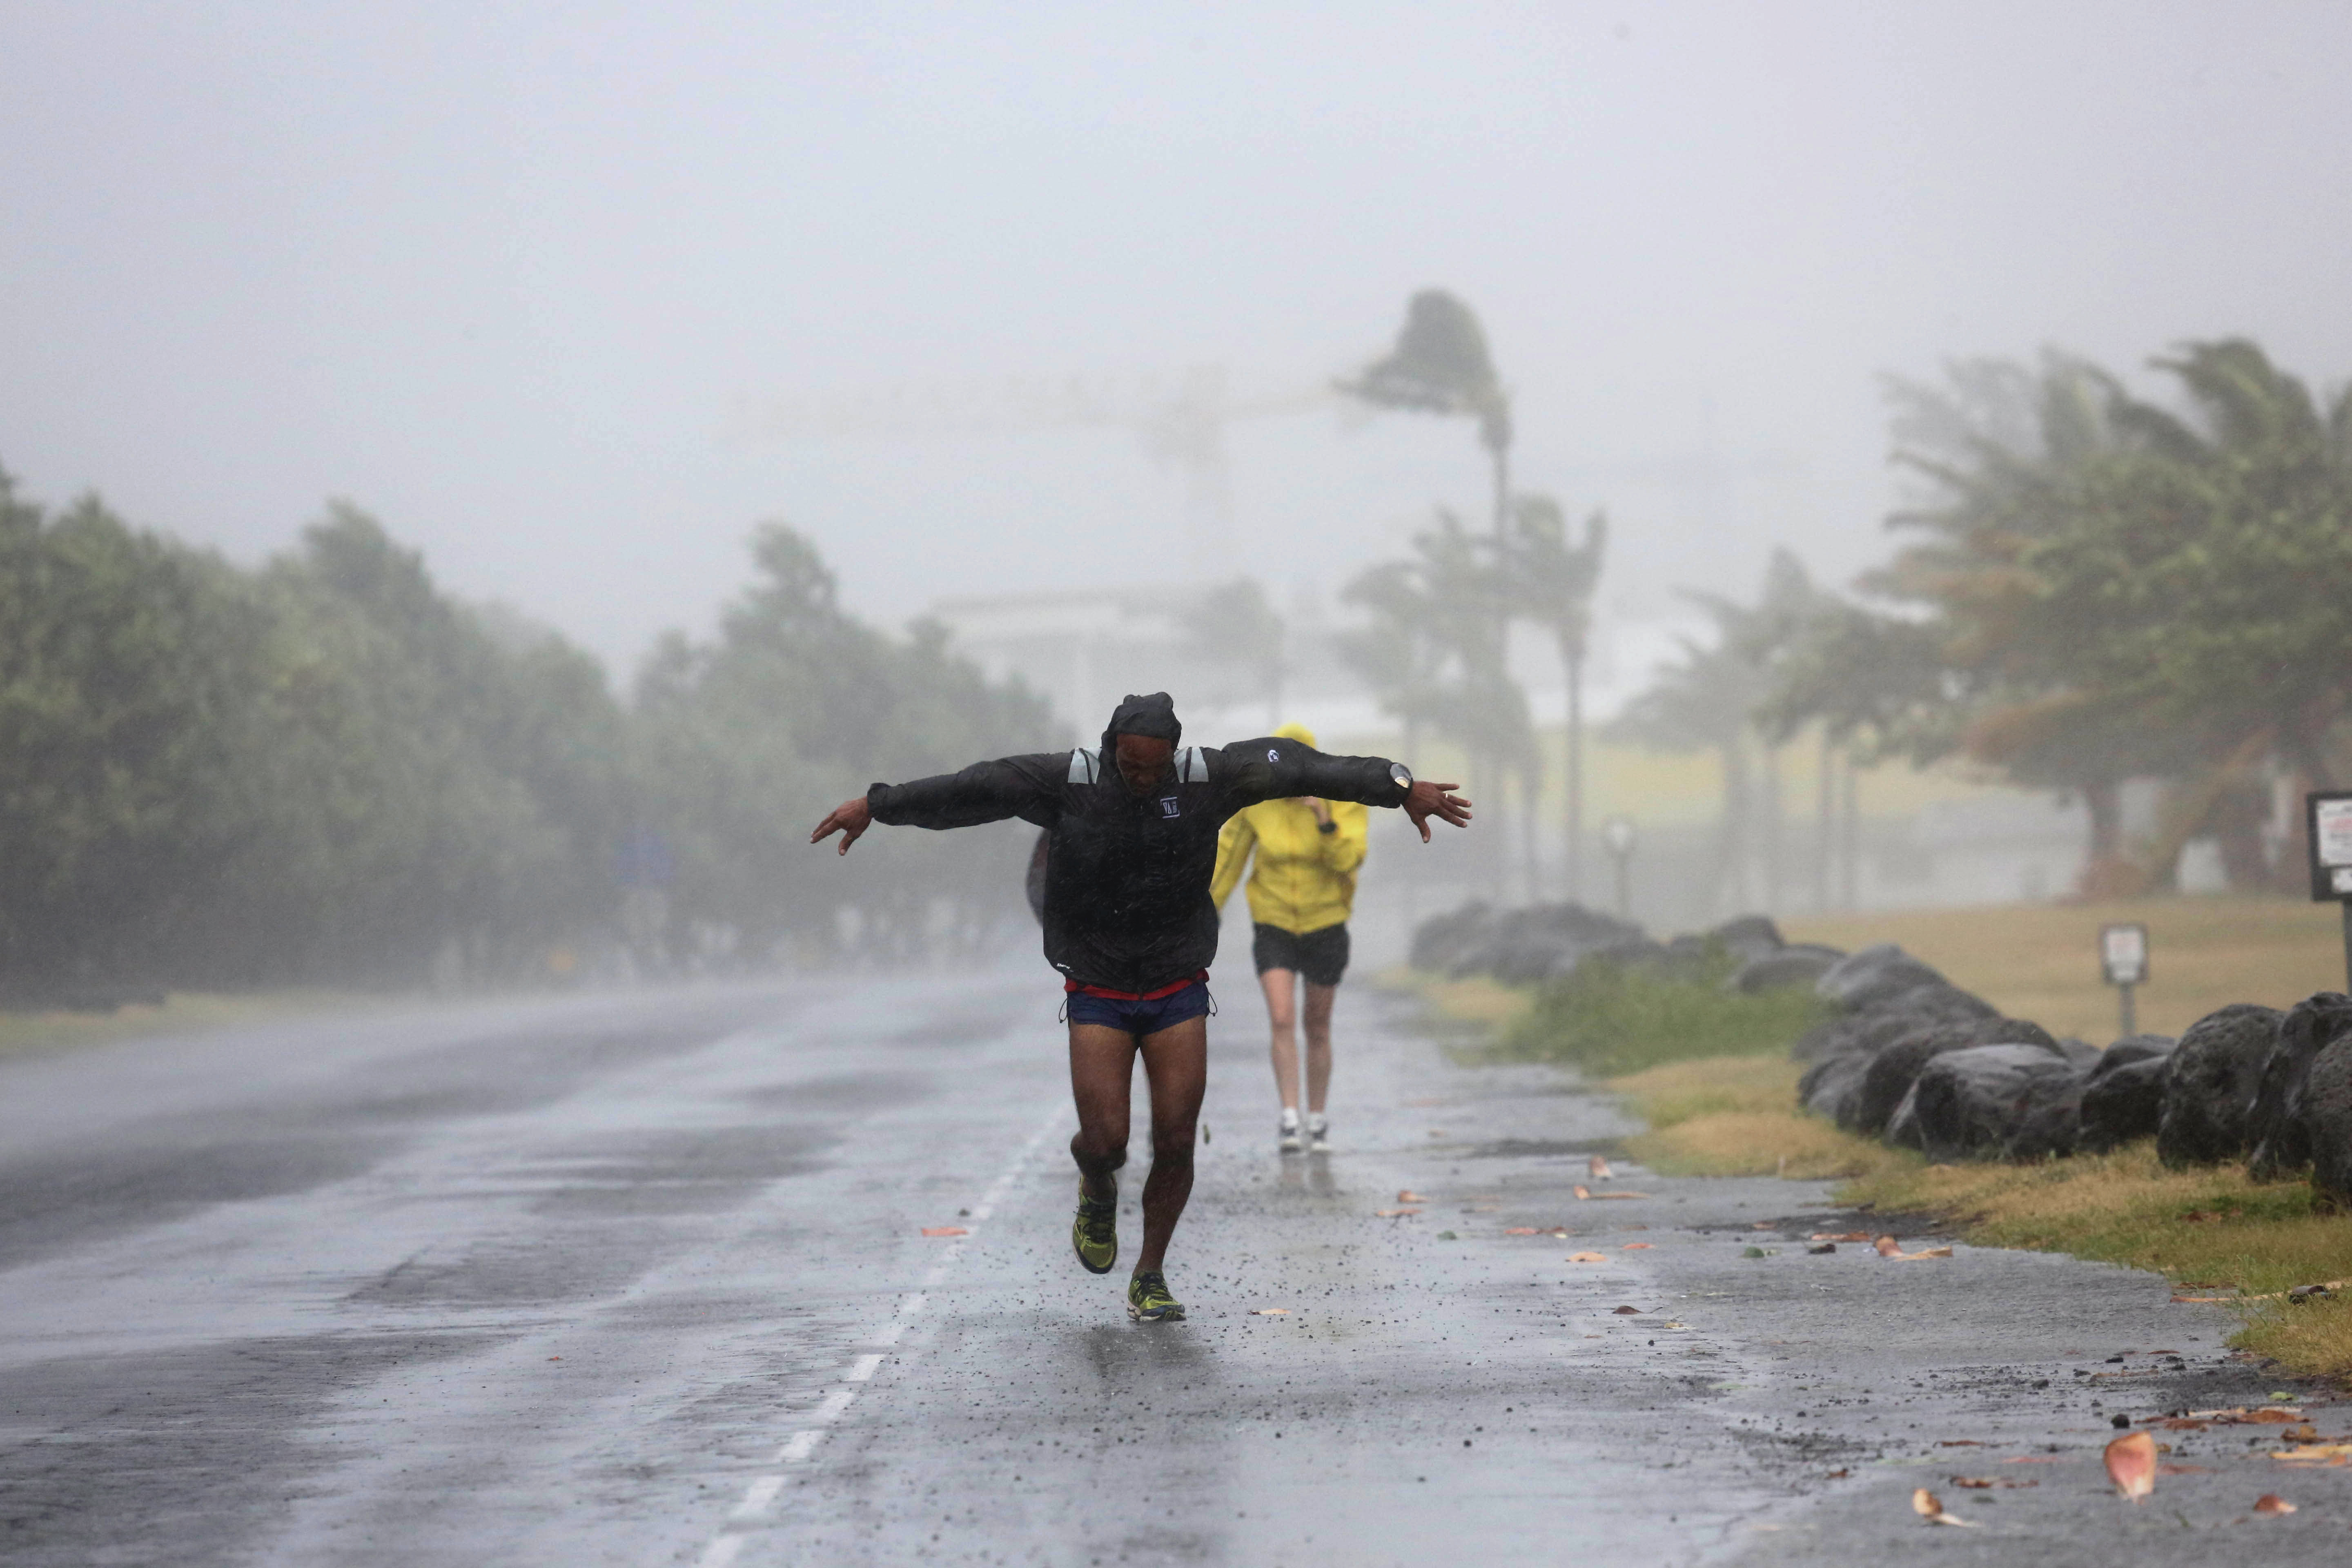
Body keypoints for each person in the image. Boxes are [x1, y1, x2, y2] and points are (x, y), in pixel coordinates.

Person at [810, 693, 1471, 1322]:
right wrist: (879, 805)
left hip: (1177, 981)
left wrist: (1399, 785)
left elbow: (1300, 765)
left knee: (1177, 1140)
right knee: (1107, 1143)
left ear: (1174, 753)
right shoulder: (1069, 782)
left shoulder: (1210, 778)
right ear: (1111, 751)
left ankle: (1150, 1273)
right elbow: (975, 789)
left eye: (1154, 768)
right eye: (1130, 766)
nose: (1144, 780)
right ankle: (1096, 1188)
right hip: (1097, 983)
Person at [1208, 722, 1364, 1155]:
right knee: (1281, 1017)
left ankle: (1317, 1118)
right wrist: (1203, 908)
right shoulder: (1256, 803)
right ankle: (1289, 1118)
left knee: (1316, 1024)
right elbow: (1228, 860)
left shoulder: (1344, 798)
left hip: (1326, 921)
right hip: (1273, 920)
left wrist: (1324, 818)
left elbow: (1350, 859)